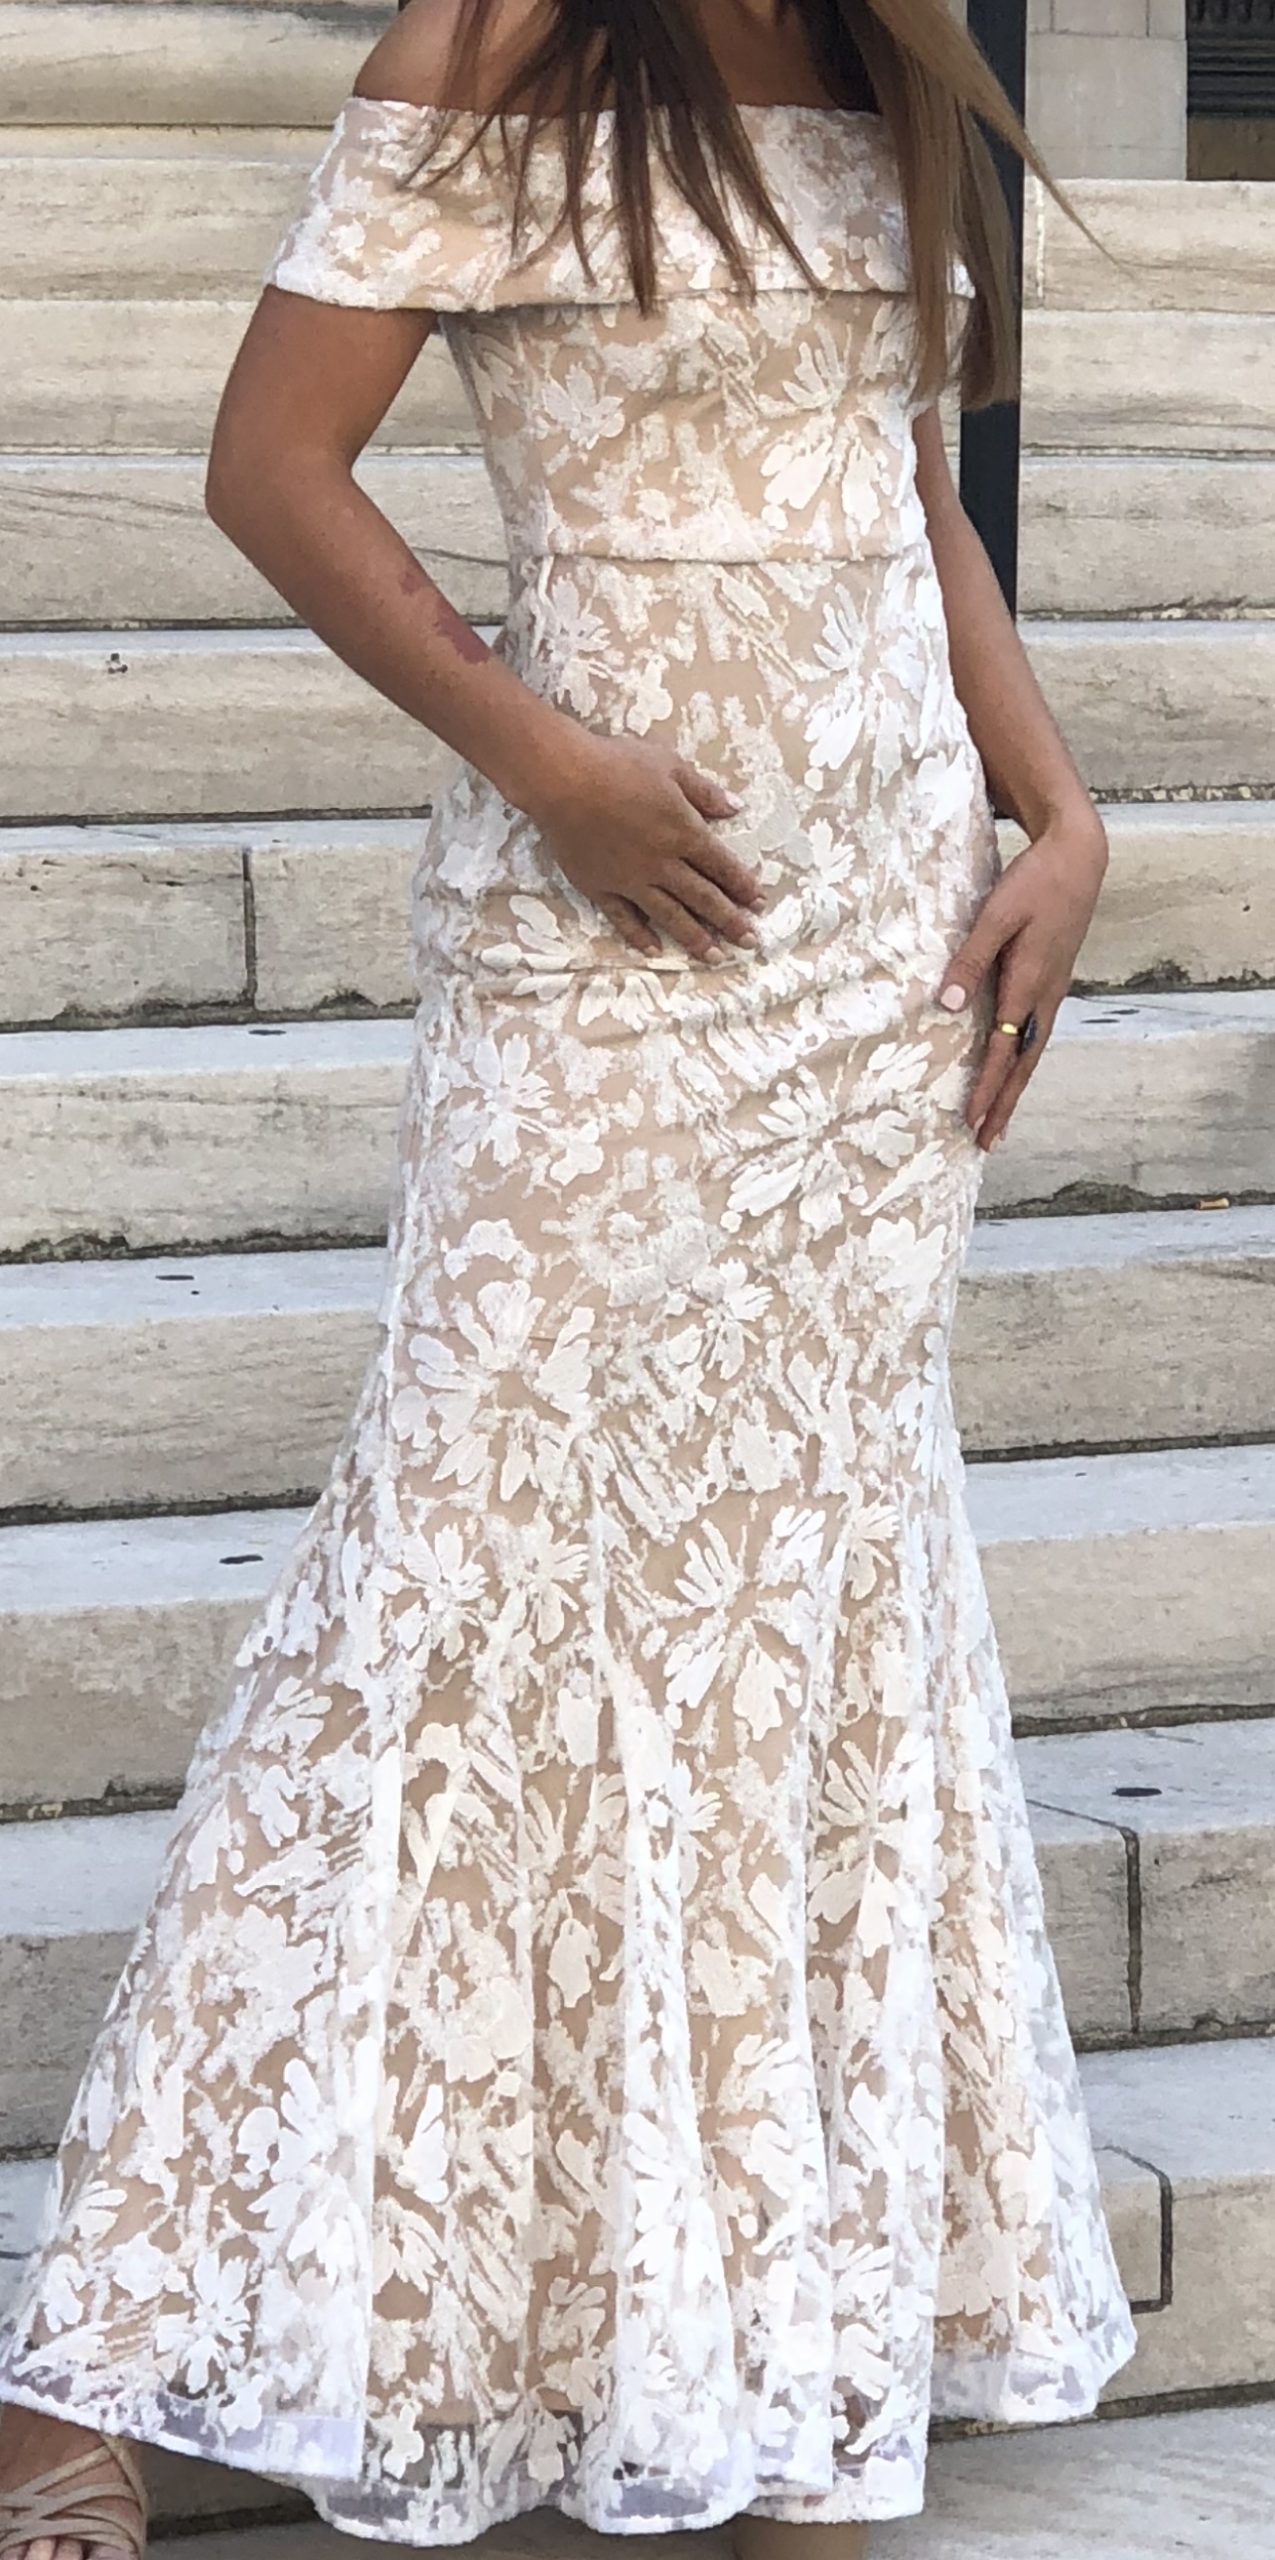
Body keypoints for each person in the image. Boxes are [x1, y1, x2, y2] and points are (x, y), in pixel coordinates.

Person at [0, 0, 1138, 2554]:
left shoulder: (888, 48)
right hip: (605, 941)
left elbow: (905, 494)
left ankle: (745, 2344)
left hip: (876, 966)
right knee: (453, 1579)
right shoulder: (504, 29)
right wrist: (544, 760)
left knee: (795, 1607)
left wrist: (1059, 810)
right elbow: (268, 466)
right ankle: (91, 2368)